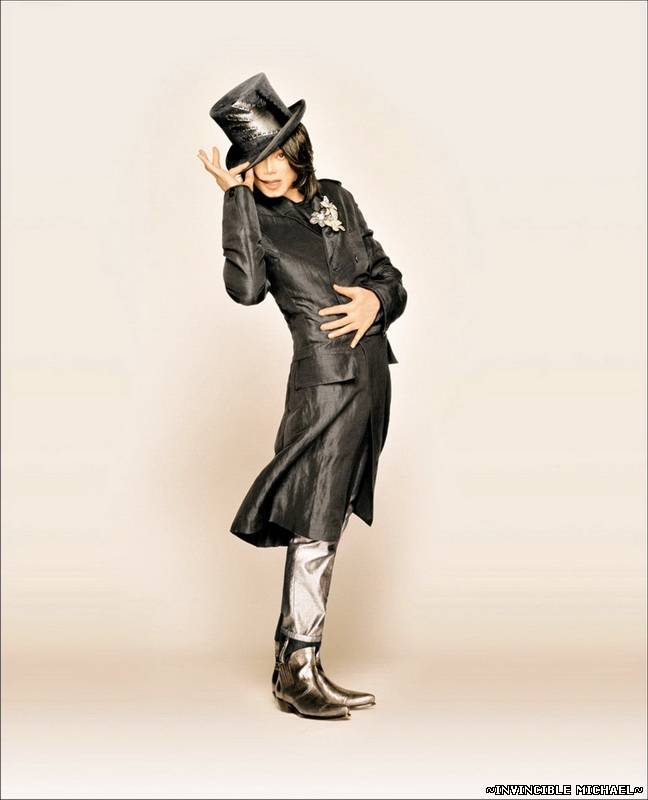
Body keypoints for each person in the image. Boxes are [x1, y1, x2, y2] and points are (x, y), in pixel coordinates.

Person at [197, 73, 407, 720]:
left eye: (277, 153)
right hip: (321, 390)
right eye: (254, 158)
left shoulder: (337, 199)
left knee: (329, 518)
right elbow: (244, 290)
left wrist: (375, 301)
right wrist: (233, 201)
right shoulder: (253, 218)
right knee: (315, 520)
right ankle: (297, 668)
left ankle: (299, 664)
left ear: (298, 148)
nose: (267, 168)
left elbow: (389, 277)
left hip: (371, 382)